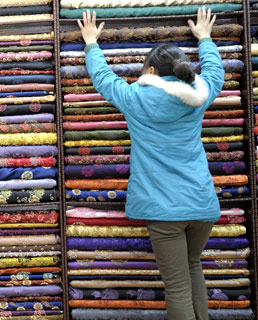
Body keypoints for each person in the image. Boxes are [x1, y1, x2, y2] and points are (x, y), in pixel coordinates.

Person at [78, 6, 223, 320]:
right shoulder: (200, 94)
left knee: (177, 287)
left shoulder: (135, 97)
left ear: (152, 73)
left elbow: (103, 80)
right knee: (193, 266)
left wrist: (91, 43)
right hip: (201, 203)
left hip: (164, 208)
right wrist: (206, 39)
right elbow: (214, 74)